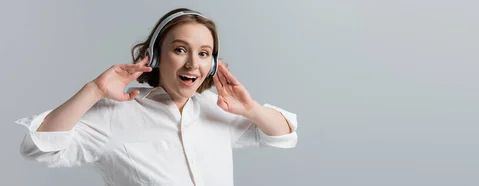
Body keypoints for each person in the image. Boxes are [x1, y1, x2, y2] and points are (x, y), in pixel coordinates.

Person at [15, 8, 298, 186]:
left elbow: (284, 135)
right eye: (179, 49)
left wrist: (250, 109)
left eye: (203, 53)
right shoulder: (116, 114)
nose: (192, 64)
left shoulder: (216, 109)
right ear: (155, 56)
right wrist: (94, 90)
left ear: (212, 64)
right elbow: (39, 147)